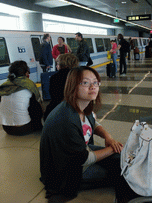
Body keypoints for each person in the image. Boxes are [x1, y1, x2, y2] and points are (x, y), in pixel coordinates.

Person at [40, 66, 137, 203]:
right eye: (85, 83)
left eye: (95, 82)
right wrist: (111, 148)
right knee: (121, 171)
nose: (93, 87)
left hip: (80, 154)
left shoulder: (81, 105)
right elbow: (84, 159)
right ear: (73, 86)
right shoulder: (66, 120)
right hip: (65, 172)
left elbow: (92, 123)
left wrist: (108, 137)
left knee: (122, 159)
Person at [0, 60, 43, 136]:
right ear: (26, 72)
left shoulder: (4, 86)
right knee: (35, 105)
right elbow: (38, 106)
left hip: (6, 128)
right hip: (24, 128)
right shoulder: (29, 84)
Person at [43, 53, 79, 121]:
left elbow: (54, 96)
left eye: (57, 64)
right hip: (76, 108)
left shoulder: (55, 78)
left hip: (59, 108)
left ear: (62, 65)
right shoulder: (79, 76)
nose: (56, 66)